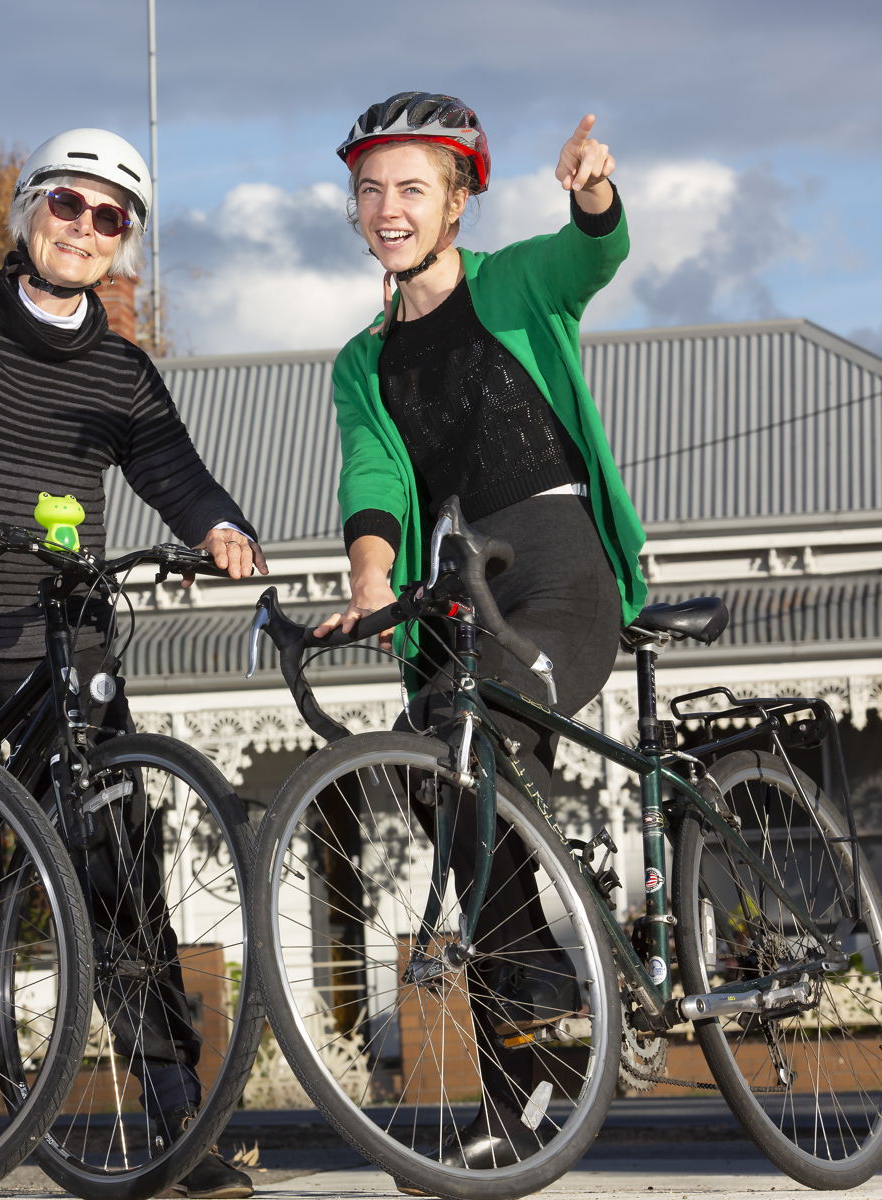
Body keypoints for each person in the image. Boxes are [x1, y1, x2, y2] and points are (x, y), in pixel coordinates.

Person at [0, 127, 266, 1200]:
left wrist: (221, 528)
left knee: (121, 878)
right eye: (67, 206)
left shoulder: (122, 371)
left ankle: (179, 1128)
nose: (85, 229)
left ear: (126, 244)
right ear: (27, 209)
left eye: (110, 217)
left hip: (66, 648)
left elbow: (179, 473)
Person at [318, 92, 647, 1178]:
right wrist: (371, 578)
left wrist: (593, 192)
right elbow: (373, 476)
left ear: (459, 198)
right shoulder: (361, 362)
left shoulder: (512, 281)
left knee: (483, 737)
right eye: (371, 188)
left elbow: (589, 258)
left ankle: (566, 973)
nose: (387, 206)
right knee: (442, 776)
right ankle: (522, 1066)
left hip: (559, 568)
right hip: (465, 584)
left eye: (412, 186)